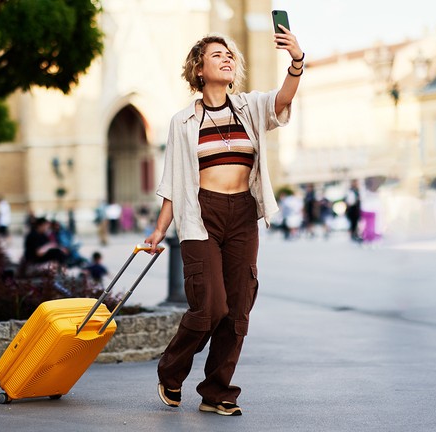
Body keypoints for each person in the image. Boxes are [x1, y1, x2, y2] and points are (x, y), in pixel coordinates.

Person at [143, 27, 302, 417]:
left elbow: (283, 100)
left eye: (229, 54)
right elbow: (173, 183)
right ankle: (171, 371)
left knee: (238, 310)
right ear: (199, 69)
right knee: (209, 307)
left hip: (243, 215)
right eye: (217, 55)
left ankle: (217, 391)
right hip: (202, 218)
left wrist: (296, 61)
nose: (227, 58)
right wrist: (159, 230)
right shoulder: (183, 123)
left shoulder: (249, 107)